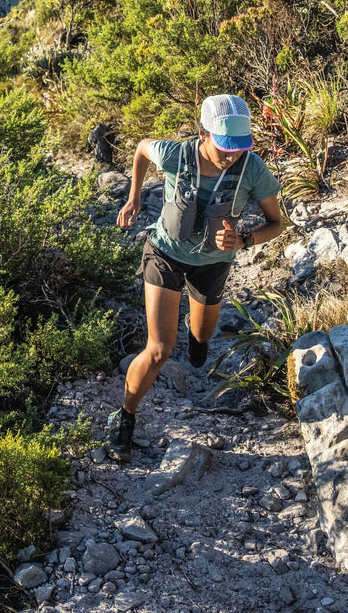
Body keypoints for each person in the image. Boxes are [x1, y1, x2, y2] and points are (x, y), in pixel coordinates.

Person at [106, 94, 286, 463]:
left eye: (239, 146)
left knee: (203, 336)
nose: (232, 154)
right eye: (225, 146)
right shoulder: (176, 155)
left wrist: (245, 239)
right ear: (203, 133)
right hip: (165, 254)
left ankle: (196, 329)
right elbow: (142, 149)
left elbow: (276, 223)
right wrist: (134, 197)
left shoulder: (252, 170)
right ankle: (124, 417)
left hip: (213, 263)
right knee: (160, 349)